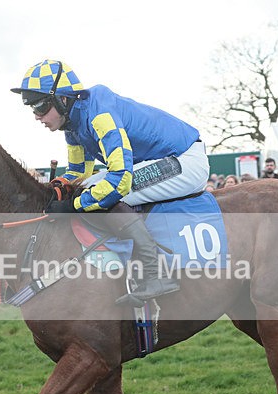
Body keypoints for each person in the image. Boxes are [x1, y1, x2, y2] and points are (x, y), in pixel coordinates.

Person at [11, 59, 209, 305]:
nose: (36, 116)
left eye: (40, 106)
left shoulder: (99, 115)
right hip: (160, 160)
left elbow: (119, 181)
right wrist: (57, 189)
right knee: (87, 189)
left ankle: (155, 273)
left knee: (103, 193)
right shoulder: (72, 124)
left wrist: (72, 205)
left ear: (62, 99)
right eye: (32, 108)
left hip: (185, 161)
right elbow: (79, 172)